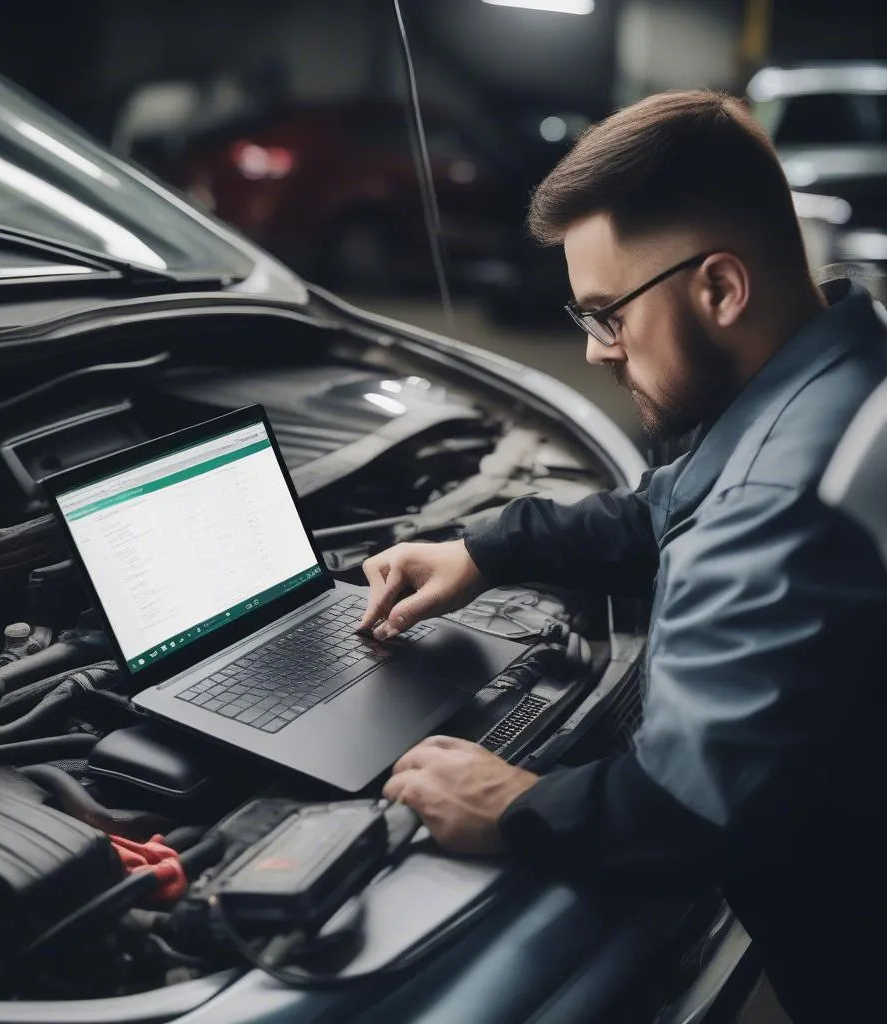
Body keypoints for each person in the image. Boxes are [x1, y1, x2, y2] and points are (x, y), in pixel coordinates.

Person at [357, 91, 887, 1022]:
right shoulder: (838, 366)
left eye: (606, 314)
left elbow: (686, 815)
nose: (596, 353)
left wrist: (514, 803)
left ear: (720, 288)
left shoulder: (778, 499)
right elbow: (661, 509)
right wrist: (479, 551)